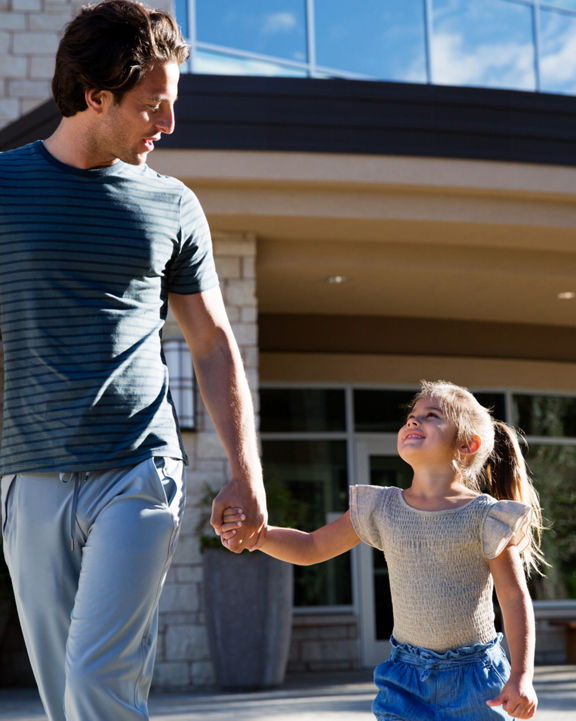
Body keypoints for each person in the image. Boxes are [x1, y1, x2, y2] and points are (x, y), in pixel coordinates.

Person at [0, 2, 266, 720]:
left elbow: (211, 342)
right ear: (96, 96)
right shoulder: (5, 188)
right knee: (64, 697)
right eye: (154, 106)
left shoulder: (173, 205)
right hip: (30, 474)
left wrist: (245, 471)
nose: (169, 125)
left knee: (98, 682)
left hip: (139, 467)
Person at [222, 380, 545, 720]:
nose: (413, 421)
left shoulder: (484, 516)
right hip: (405, 680)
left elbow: (513, 599)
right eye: (411, 416)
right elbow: (311, 546)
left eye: (431, 415)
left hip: (476, 679)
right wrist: (258, 536)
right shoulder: (382, 507)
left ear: (467, 444)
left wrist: (522, 676)